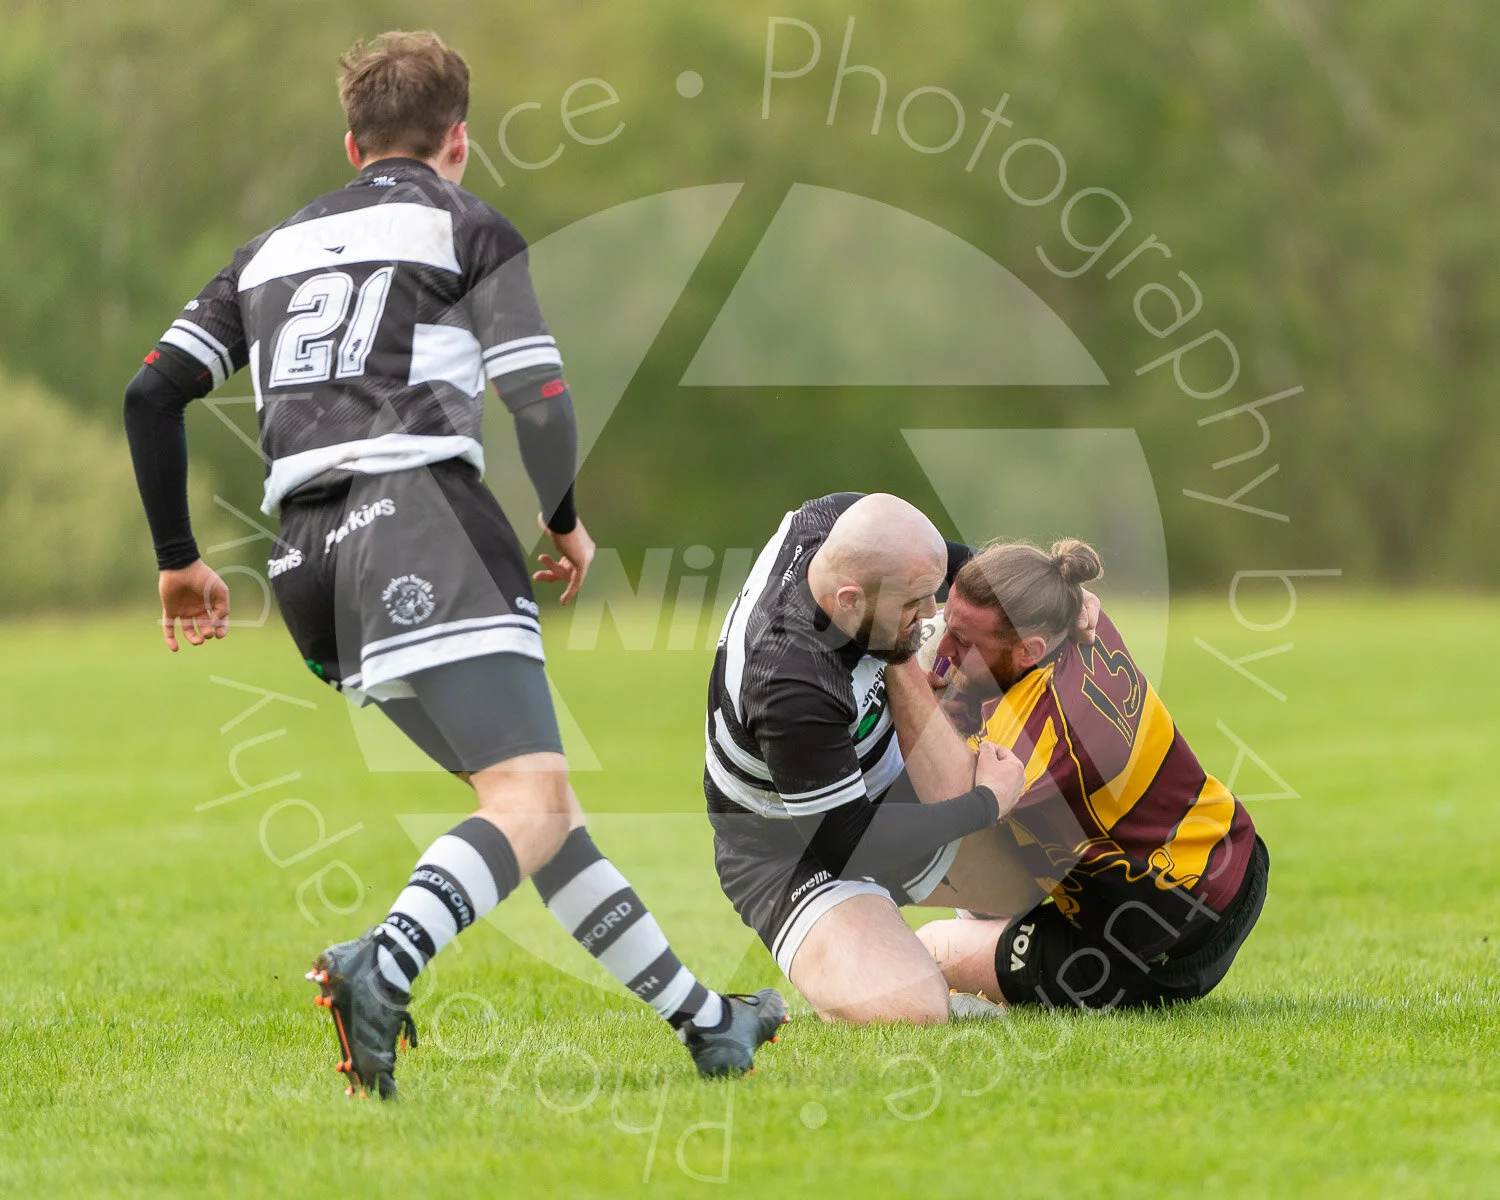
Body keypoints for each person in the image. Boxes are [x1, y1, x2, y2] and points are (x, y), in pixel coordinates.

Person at [122, 30, 783, 1099]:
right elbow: (543, 400)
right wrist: (564, 518)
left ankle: (709, 1025)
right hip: (420, 520)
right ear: (459, 141)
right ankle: (382, 964)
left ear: (352, 144)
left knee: (529, 810)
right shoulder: (466, 225)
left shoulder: (269, 251)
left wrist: (176, 560)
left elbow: (151, 394)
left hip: (308, 567)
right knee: (526, 795)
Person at [703, 492, 1099, 1024]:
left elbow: (957, 566)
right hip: (791, 847)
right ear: (847, 600)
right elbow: (847, 843)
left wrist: (1053, 598)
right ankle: (877, 950)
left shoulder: (832, 522)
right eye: (915, 603)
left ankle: (906, 937)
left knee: (1028, 886)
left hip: (872, 770)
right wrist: (987, 802)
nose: (933, 613)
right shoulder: (790, 683)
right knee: (910, 1012)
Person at [892, 538, 1269, 1010]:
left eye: (964, 642)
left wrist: (901, 671)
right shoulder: (1075, 614)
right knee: (1005, 849)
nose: (943, 646)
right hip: (1229, 850)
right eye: (948, 624)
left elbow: (946, 798)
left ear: (1029, 651)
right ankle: (1003, 966)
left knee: (926, 953)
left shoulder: (1040, 737)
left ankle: (998, 991)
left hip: (1164, 939)